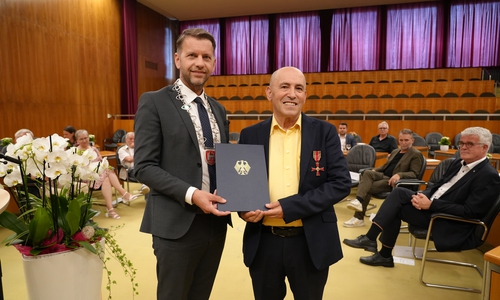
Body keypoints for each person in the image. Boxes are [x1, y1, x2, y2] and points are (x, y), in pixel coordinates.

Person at [133, 28, 231, 300]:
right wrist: (192, 194)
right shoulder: (154, 102)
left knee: (201, 294)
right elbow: (143, 166)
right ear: (177, 59)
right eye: (192, 55)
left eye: (206, 57)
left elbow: (219, 161)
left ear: (213, 63)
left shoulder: (218, 109)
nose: (200, 62)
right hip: (176, 223)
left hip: (214, 223)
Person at [238, 66, 351, 300]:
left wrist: (290, 208)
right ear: (269, 93)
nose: (292, 94)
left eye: (299, 88)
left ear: (305, 95)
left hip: (310, 243)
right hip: (263, 243)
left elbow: (340, 183)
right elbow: (243, 183)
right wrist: (242, 209)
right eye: (284, 87)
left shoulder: (325, 132)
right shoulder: (250, 135)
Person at [343, 127, 500, 267]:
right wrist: (422, 196)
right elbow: (437, 186)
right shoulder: (458, 163)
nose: (463, 147)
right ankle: (381, 252)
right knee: (398, 196)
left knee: (396, 200)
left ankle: (375, 244)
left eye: (469, 144)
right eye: (462, 143)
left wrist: (431, 205)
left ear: (485, 147)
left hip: (449, 221)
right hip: (432, 207)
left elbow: (470, 212)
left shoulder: (488, 176)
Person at [344, 129, 424, 228]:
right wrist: (375, 170)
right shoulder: (395, 151)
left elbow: (414, 174)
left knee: (366, 188)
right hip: (383, 175)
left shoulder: (416, 154)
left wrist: (400, 175)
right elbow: (385, 166)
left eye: (406, 140)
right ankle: (358, 202)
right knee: (367, 172)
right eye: (401, 140)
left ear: (412, 140)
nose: (403, 143)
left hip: (394, 182)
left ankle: (358, 217)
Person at [75, 129, 138, 219]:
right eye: (81, 139)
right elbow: (79, 168)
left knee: (106, 176)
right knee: (107, 170)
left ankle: (111, 209)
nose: (84, 140)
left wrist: (100, 168)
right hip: (88, 176)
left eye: (86, 138)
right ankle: (123, 193)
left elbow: (101, 161)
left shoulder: (93, 149)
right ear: (77, 140)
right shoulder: (76, 152)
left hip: (100, 173)